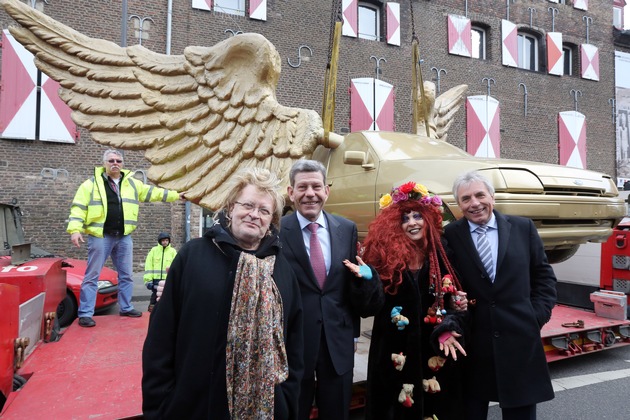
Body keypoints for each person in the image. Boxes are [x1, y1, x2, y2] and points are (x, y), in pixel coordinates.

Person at [142, 167, 304, 420]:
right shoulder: (192, 256)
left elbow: (294, 345)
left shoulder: (282, 270)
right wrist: (161, 405)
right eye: (247, 205)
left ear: (271, 220)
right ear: (231, 208)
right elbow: (161, 336)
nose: (254, 215)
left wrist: (287, 400)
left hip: (267, 410)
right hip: (194, 407)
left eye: (263, 210)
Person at [347, 181, 468, 420]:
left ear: (428, 219)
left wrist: (448, 327)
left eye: (417, 216)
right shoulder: (383, 257)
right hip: (392, 356)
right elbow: (367, 308)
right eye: (404, 218)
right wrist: (368, 282)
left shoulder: (442, 251)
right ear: (394, 225)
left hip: (434, 354)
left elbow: (458, 303)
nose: (412, 223)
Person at [443, 171, 556, 420]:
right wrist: (453, 303)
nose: (474, 203)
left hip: (520, 340)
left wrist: (535, 316)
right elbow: (446, 282)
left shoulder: (522, 228)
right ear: (458, 205)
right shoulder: (450, 235)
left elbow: (544, 277)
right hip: (474, 345)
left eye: (480, 195)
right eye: (465, 199)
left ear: (492, 196)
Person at [279, 159, 383, 420]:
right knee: (293, 411)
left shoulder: (346, 229)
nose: (310, 194)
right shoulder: (277, 231)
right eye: (302, 187)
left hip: (338, 339)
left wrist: (365, 282)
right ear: (291, 193)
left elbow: (345, 283)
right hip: (294, 341)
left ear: (327, 190)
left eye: (316, 186)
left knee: (336, 411)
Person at [67, 149, 183, 327]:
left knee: (126, 275)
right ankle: (85, 313)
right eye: (111, 160)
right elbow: (79, 207)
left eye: (118, 161)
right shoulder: (90, 184)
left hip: (123, 236)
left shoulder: (132, 184)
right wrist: (75, 229)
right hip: (100, 236)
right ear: (104, 163)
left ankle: (126, 307)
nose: (115, 163)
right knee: (92, 276)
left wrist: (176, 195)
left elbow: (153, 193)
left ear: (123, 164)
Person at [143, 232, 177, 312]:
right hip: (156, 279)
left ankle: (165, 309)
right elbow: (149, 265)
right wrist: (148, 280)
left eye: (166, 240)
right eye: (163, 240)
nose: (165, 242)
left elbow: (175, 265)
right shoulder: (154, 250)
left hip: (167, 279)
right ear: (159, 241)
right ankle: (152, 308)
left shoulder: (172, 251)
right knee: (155, 295)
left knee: (166, 295)